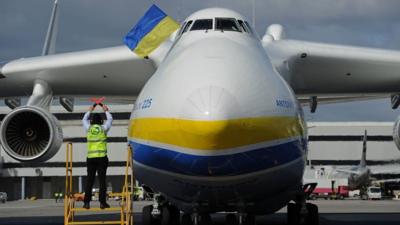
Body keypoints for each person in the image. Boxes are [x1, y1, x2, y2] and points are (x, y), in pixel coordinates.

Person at [82, 103, 113, 209]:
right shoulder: (104, 128)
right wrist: (106, 110)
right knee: (102, 181)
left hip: (91, 158)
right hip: (102, 158)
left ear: (91, 121)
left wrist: (90, 110)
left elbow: (84, 119)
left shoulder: (88, 129)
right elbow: (110, 119)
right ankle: (102, 202)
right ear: (101, 121)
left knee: (89, 180)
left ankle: (86, 202)